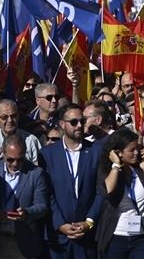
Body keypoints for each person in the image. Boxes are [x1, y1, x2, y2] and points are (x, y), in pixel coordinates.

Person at [39, 104, 103, 259]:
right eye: (74, 122)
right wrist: (60, 224)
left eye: (82, 121)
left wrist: (89, 223)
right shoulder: (47, 154)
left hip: (87, 237)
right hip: (59, 239)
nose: (79, 125)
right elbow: (47, 193)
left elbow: (101, 191)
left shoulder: (96, 150)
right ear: (62, 124)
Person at [96, 128, 144, 259]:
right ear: (118, 152)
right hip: (116, 236)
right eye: (131, 150)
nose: (136, 152)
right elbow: (108, 191)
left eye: (137, 148)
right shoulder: (107, 169)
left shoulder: (140, 170)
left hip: (142, 236)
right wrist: (116, 165)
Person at [0, 134, 49, 259]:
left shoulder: (36, 174)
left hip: (24, 239)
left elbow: (42, 206)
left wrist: (27, 213)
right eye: (10, 159)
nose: (15, 164)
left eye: (20, 159)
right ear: (3, 153)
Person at [0, 100, 42, 166]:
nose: (10, 120)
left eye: (13, 116)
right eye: (4, 117)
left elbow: (37, 169)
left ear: (18, 117)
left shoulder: (31, 140)